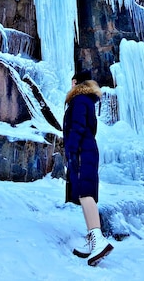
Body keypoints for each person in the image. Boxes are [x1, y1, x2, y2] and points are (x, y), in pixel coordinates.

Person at [62, 69, 114, 266]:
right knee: (85, 193)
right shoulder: (87, 101)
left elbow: (77, 126)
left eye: (73, 81)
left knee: (86, 193)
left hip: (82, 150)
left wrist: (71, 149)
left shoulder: (79, 100)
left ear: (77, 82)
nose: (71, 85)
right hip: (88, 149)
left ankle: (98, 239)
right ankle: (92, 239)